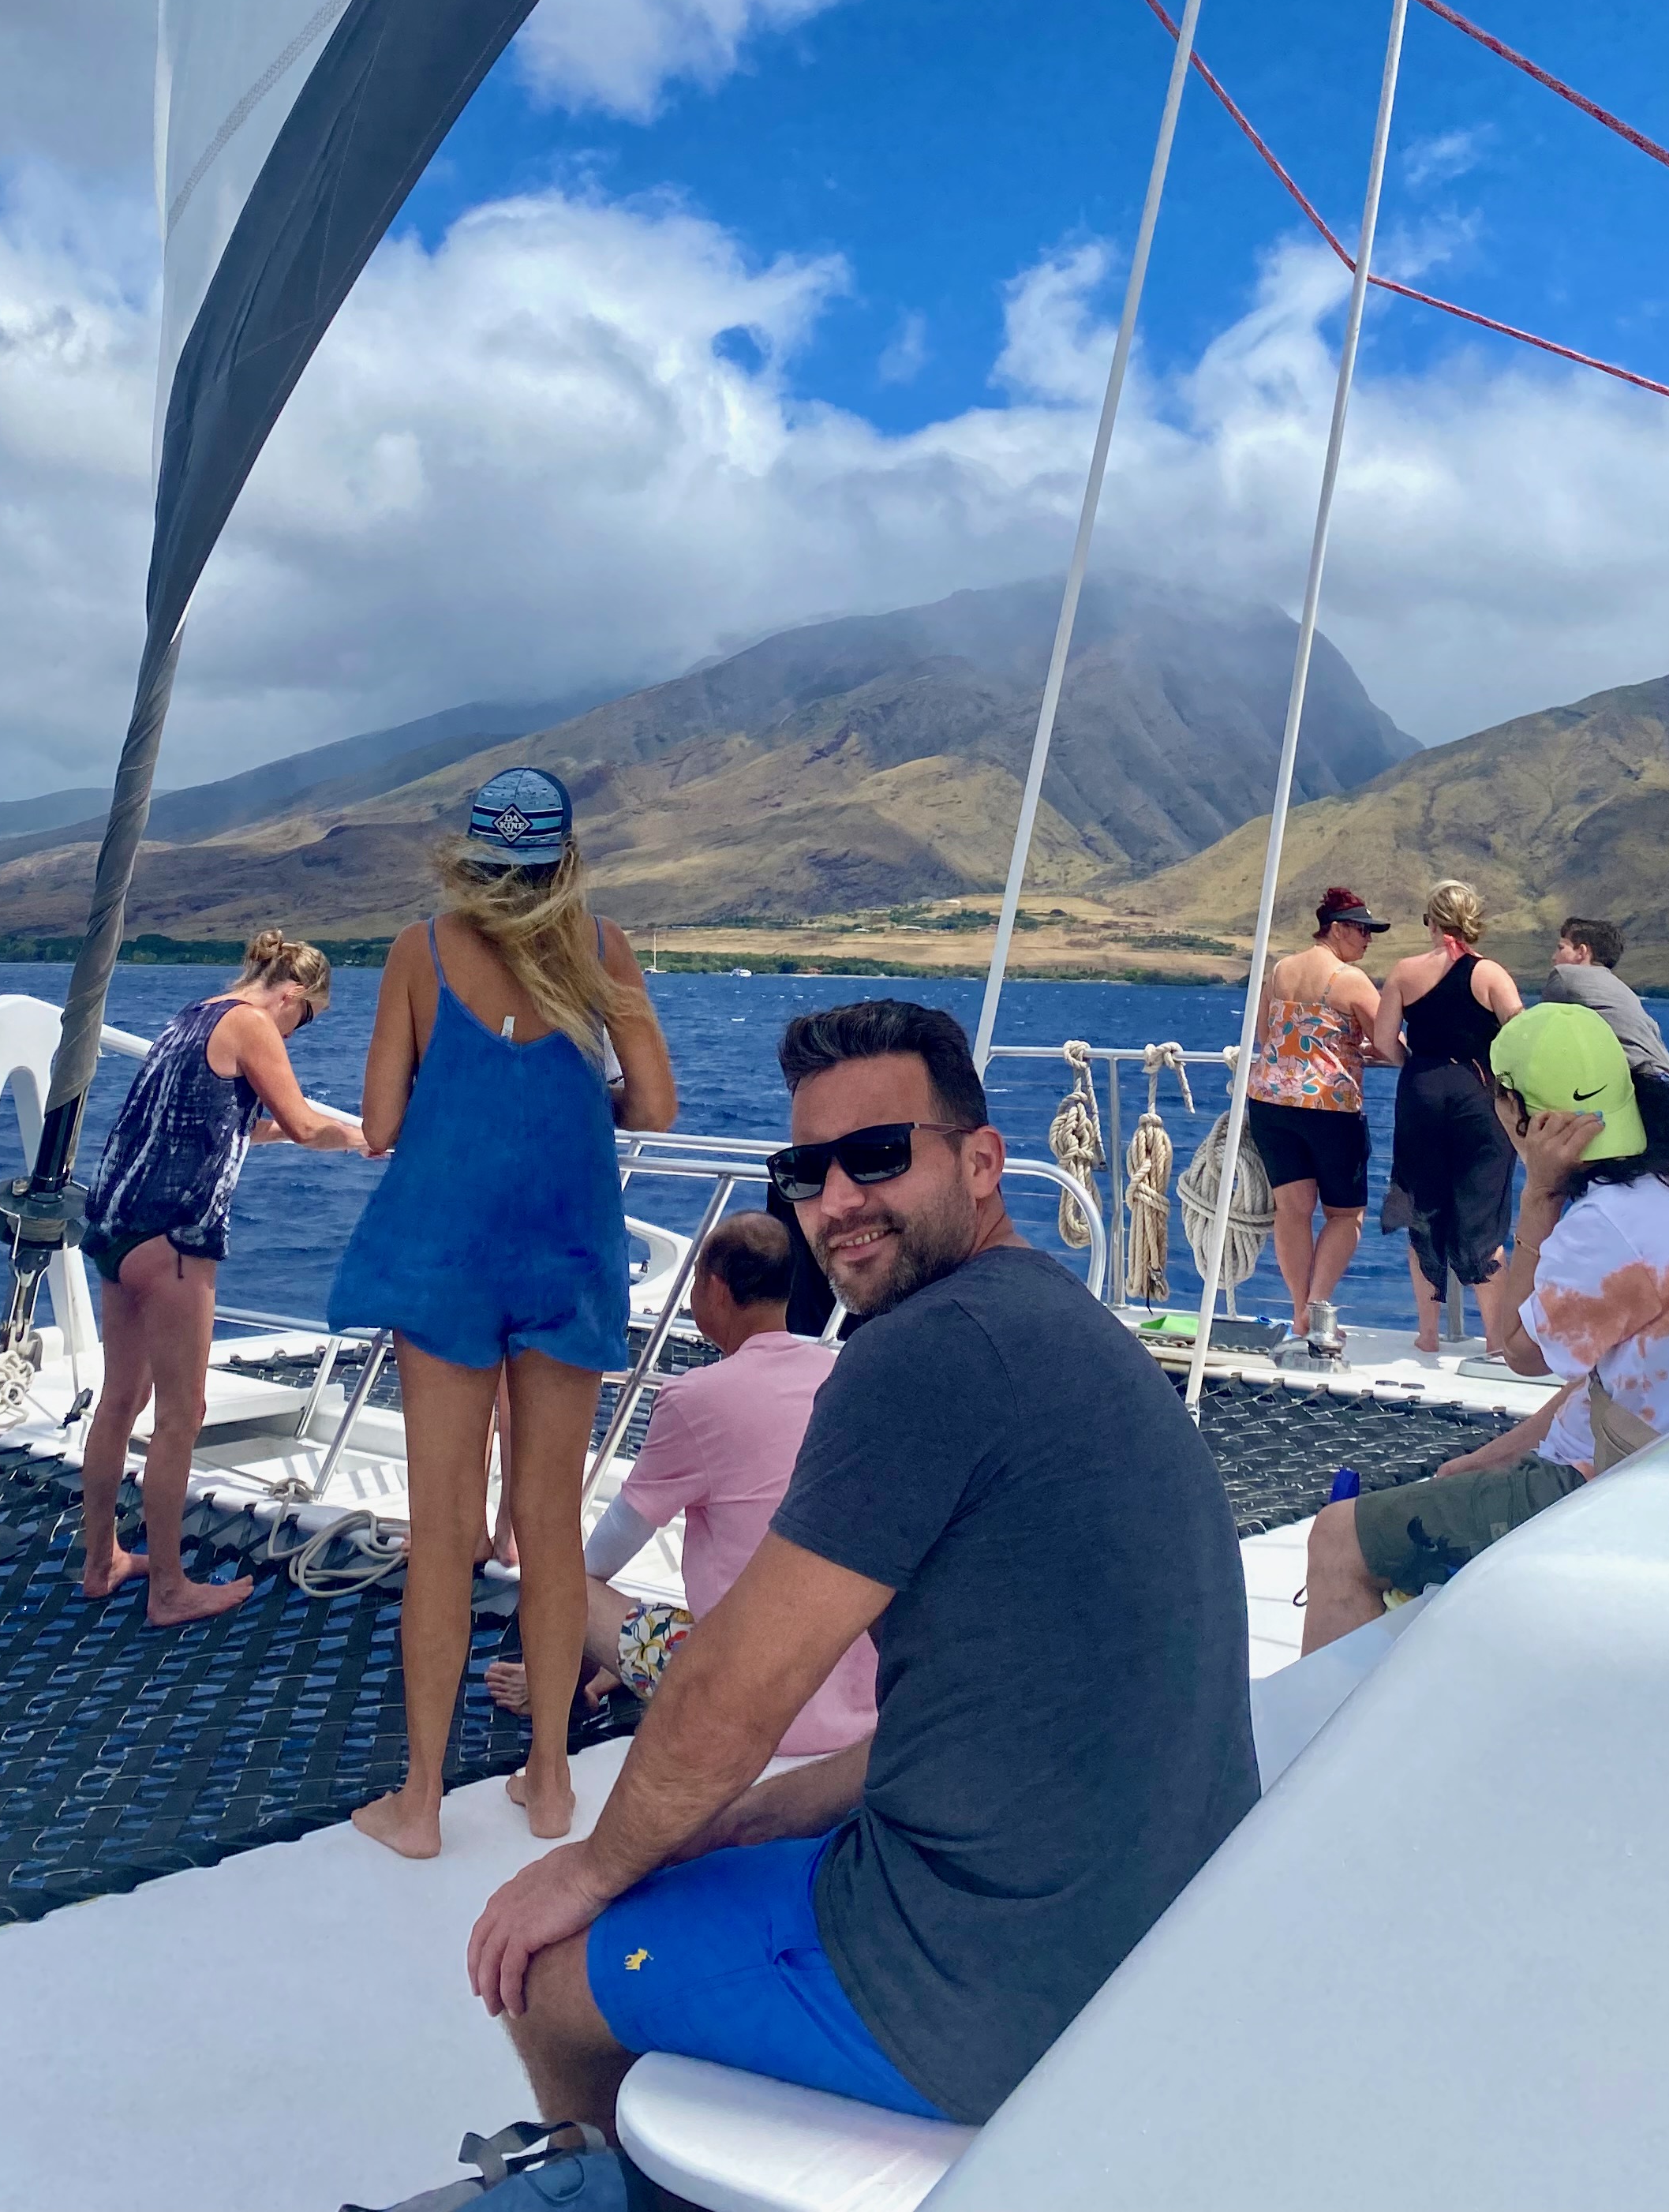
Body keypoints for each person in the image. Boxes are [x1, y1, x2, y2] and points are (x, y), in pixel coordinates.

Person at [462, 997, 1257, 2140]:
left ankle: (613, 2188)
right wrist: (743, 1822)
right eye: (806, 1171)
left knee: (544, 1978)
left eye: (879, 1155)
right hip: (1150, 1943)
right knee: (711, 1859)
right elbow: (977, 1716)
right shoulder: (1055, 1324)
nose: (837, 1201)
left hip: (982, 1984)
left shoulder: (921, 1354)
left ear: (982, 1162)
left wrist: (590, 1870)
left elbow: (731, 1694)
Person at [339, 767, 677, 1861]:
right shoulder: (604, 949)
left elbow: (380, 1124)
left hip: (445, 1263)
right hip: (567, 1258)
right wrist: (577, 1101)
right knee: (549, 1526)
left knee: (442, 1533)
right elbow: (657, 1104)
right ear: (565, 858)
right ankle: (550, 1782)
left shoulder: (420, 952)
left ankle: (421, 1802)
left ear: (471, 858)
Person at [1300, 1003, 1669, 1652]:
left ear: (1520, 1113)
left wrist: (1539, 1194)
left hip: (1619, 1493)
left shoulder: (1606, 1226)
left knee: (1339, 1537)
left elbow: (1519, 1351)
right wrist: (1490, 1458)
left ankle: (1338, 1721)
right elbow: (1606, 1382)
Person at [485, 1211, 877, 1757]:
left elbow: (608, 1549)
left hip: (748, 1705)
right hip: (852, 1694)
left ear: (714, 1289)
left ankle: (553, 1690)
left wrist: (570, 1642)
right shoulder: (839, 1374)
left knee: (562, 1580)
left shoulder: (698, 1399)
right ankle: (614, 1669)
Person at [79, 928, 368, 1630]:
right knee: (182, 1415)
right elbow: (304, 1125)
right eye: (307, 1020)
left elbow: (222, 1122)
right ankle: (169, 1590)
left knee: (120, 1402)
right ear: (292, 995)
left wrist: (297, 1130)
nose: (297, 1034)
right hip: (174, 1236)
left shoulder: (194, 1016)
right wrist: (368, 1137)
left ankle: (101, 1562)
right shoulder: (253, 1024)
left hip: (116, 1226)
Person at [1370, 878, 1524, 1357]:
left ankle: (1429, 1335)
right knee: (1483, 1214)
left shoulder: (1404, 971)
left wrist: (1416, 1066)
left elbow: (1383, 1041)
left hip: (1421, 1092)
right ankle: (1496, 1341)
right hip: (1479, 1095)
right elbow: (1520, 1035)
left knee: (1423, 1209)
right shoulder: (1491, 974)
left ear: (1432, 922)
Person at [1248, 885, 1390, 1342]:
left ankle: (1297, 1312)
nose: (1369, 940)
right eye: (1363, 931)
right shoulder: (1350, 980)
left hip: (1270, 1103)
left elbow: (1262, 1034)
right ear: (1338, 929)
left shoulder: (1281, 969)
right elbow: (1390, 1043)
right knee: (1345, 1215)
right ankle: (1317, 1307)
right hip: (1329, 1107)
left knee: (1292, 1211)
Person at [1543, 915, 1669, 1082]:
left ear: (1582, 952)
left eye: (1561, 948)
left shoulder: (1565, 976)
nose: (1554, 957)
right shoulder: (1620, 988)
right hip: (1668, 1078)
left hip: (1643, 1081)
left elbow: (1537, 1032)